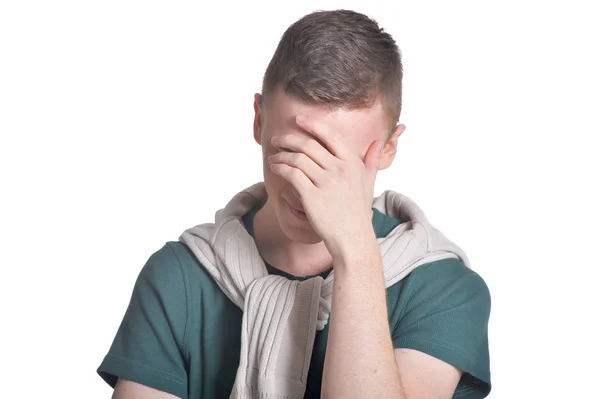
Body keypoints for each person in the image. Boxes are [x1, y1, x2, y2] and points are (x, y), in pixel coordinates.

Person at [97, 9, 491, 399]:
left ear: (388, 149)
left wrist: (355, 251)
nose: (307, 188)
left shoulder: (442, 289)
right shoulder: (180, 276)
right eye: (292, 153)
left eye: (336, 164)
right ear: (258, 122)